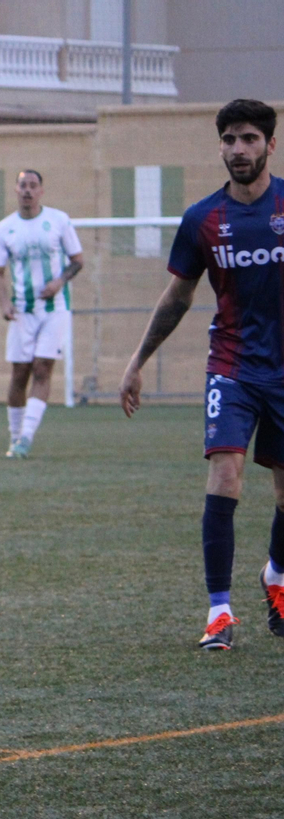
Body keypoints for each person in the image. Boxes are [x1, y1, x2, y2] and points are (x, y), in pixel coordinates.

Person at [120, 98, 284, 651]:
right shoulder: (202, 219)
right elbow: (177, 297)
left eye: (250, 140)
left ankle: (276, 578)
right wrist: (137, 361)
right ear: (220, 146)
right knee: (226, 475)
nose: (239, 150)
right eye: (230, 140)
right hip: (233, 367)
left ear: (269, 145)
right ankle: (219, 612)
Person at [0, 169, 84, 458]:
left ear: (41, 191)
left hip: (55, 310)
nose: (28, 190)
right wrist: (4, 304)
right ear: (16, 190)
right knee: (19, 374)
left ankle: (26, 440)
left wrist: (59, 282)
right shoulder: (5, 227)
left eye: (33, 185)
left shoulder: (59, 221)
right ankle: (14, 437)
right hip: (22, 311)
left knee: (43, 368)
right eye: (23, 186)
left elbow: (77, 261)